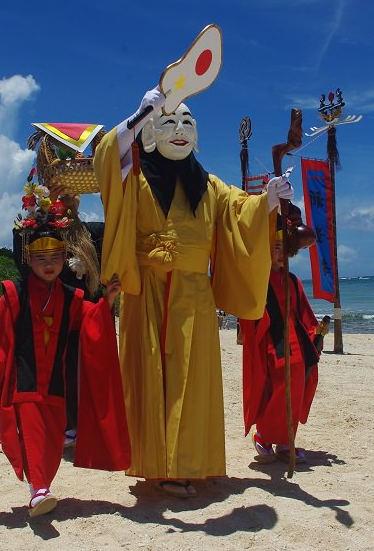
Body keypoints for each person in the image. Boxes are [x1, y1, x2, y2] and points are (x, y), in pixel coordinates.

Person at [93, 88, 293, 497]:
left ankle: (187, 462)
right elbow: (106, 160)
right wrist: (139, 114)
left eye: (187, 122)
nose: (180, 129)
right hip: (146, 290)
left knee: (190, 377)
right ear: (150, 133)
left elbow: (242, 212)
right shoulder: (135, 174)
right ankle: (158, 464)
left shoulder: (210, 184)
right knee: (150, 374)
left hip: (193, 294)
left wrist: (269, 198)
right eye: (168, 122)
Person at [0, 188, 128, 518]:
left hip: (56, 379)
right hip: (22, 377)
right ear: (29, 260)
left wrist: (108, 300)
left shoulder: (70, 297)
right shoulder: (14, 294)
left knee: (55, 436)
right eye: (41, 259)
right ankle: (39, 489)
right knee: (33, 430)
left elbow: (91, 319)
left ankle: (41, 483)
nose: (50, 265)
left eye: (55, 258)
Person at [239, 225, 321, 464]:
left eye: (284, 249)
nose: (280, 254)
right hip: (271, 338)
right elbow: (249, 311)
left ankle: (287, 441)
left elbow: (304, 312)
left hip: (295, 338)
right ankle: (264, 435)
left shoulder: (293, 281)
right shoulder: (259, 279)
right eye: (275, 248)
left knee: (297, 382)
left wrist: (315, 333)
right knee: (274, 385)